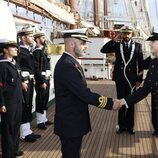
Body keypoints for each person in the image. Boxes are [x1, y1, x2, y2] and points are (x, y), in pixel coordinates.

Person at [53, 28, 120, 158]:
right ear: (72, 44)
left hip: (73, 122)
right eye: (83, 43)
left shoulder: (71, 63)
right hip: (70, 124)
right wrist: (111, 103)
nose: (85, 47)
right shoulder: (67, 65)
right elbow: (85, 94)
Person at [100, 26, 144, 134]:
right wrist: (114, 39)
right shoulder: (117, 45)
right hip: (120, 78)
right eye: (124, 34)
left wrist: (139, 79)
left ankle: (130, 127)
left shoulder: (138, 46)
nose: (126, 36)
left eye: (128, 33)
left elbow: (141, 64)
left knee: (131, 102)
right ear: (122, 34)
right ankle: (121, 126)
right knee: (120, 102)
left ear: (131, 34)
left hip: (132, 80)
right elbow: (103, 50)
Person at [119, 30, 158, 136]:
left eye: (153, 41)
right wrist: (123, 101)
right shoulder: (153, 63)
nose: (149, 44)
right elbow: (145, 90)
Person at [17, 26, 41, 142]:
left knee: (28, 104)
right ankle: (23, 134)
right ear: (23, 37)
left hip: (30, 81)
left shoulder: (27, 50)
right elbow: (16, 67)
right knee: (25, 105)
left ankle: (28, 130)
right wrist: (21, 81)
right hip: (24, 82)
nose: (32, 38)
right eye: (30, 36)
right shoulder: (20, 51)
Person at [0, 39, 24, 157]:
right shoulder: (2, 66)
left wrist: (22, 83)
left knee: (15, 127)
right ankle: (7, 154)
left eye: (16, 47)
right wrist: (1, 104)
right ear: (5, 50)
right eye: (13, 47)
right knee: (8, 129)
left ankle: (14, 150)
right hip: (8, 103)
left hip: (18, 100)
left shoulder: (14, 63)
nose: (16, 49)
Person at [33, 30, 53, 130]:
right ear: (37, 39)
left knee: (45, 98)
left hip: (46, 79)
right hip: (42, 81)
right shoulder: (36, 52)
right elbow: (37, 69)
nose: (45, 39)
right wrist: (41, 81)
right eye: (43, 38)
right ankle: (40, 121)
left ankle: (44, 118)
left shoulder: (42, 51)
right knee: (40, 99)